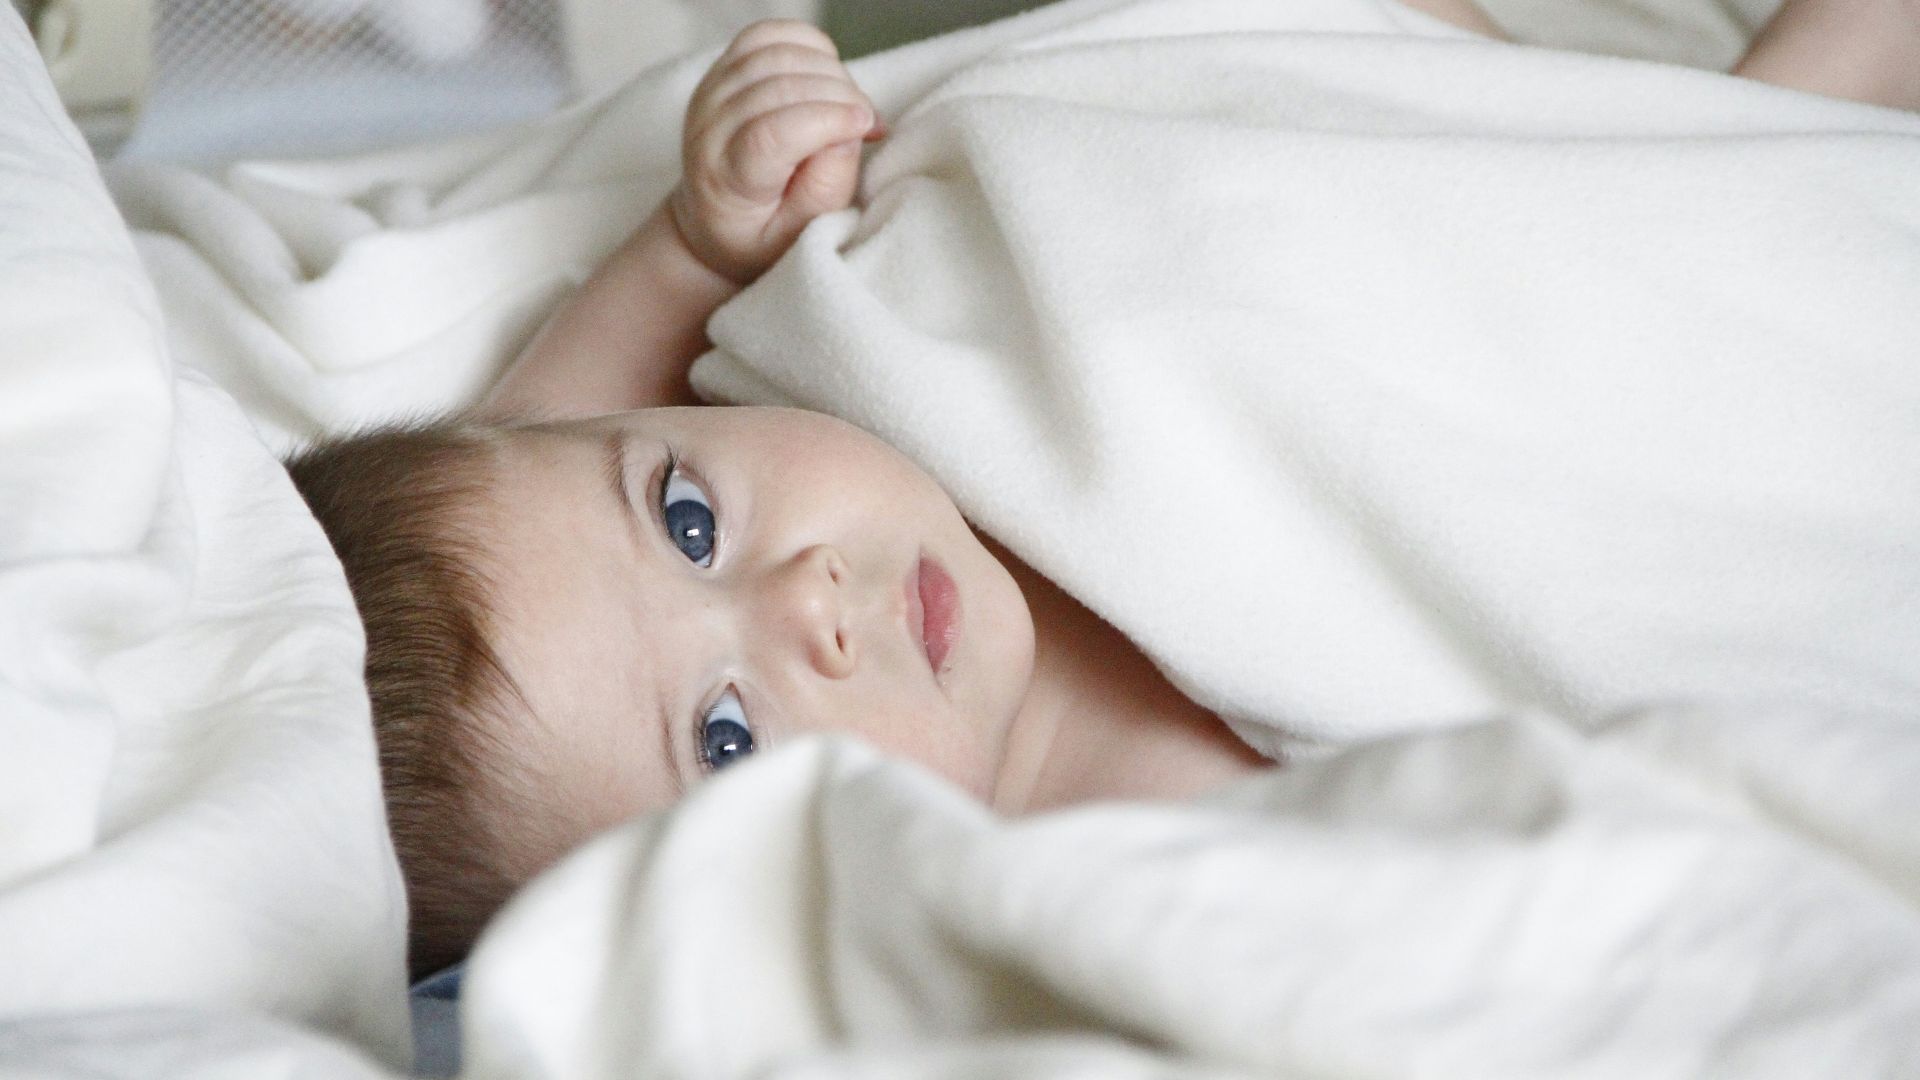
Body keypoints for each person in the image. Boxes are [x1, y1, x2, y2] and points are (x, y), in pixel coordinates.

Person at [285, 3, 1920, 980]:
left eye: (693, 518)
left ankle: (1747, 131)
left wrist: (695, 242)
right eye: (726, 735)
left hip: (1447, 244)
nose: (805, 604)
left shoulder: (891, 371)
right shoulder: (1107, 884)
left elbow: (523, 446)